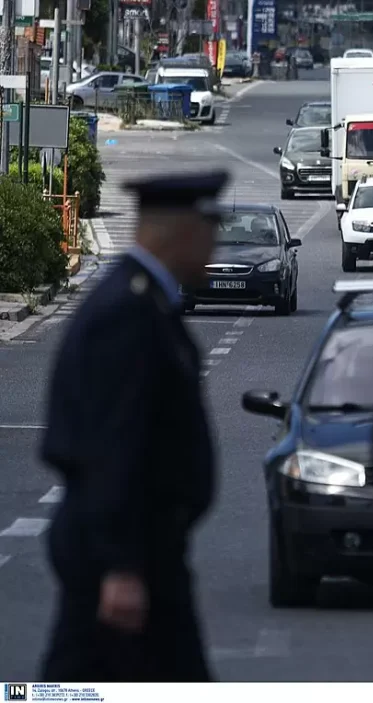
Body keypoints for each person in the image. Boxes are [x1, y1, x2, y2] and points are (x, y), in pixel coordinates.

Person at [38, 170, 229, 682]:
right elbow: (110, 447)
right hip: (125, 554)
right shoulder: (127, 313)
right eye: (209, 232)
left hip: (143, 550)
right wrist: (121, 565)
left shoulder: (146, 301)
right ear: (181, 232)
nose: (215, 248)